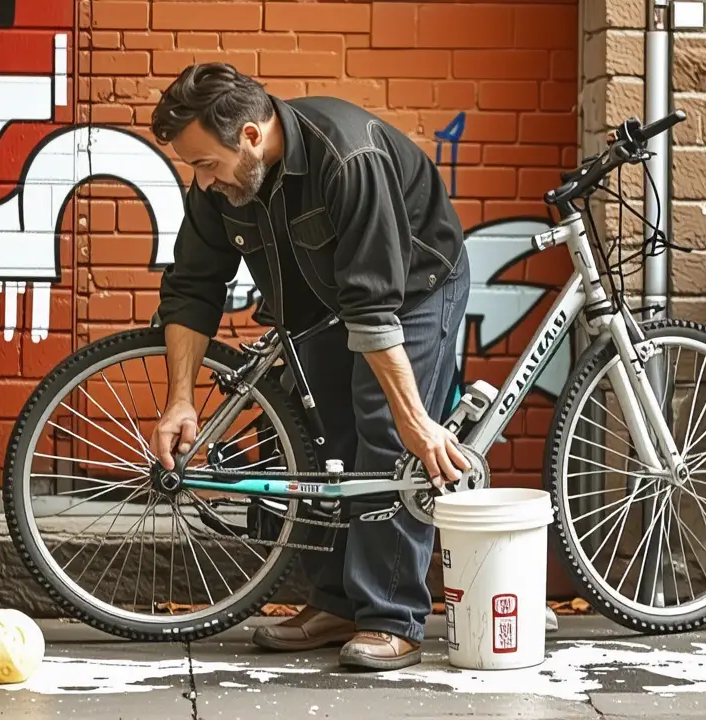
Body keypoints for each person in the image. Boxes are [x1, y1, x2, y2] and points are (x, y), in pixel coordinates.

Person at [147, 62, 471, 671]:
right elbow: (193, 286)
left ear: (248, 134)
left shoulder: (347, 159)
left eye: (206, 164)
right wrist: (181, 400)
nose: (204, 182)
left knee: (385, 434)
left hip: (413, 289)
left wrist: (416, 421)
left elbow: (373, 308)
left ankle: (391, 616)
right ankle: (336, 605)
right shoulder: (221, 185)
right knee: (315, 440)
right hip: (319, 306)